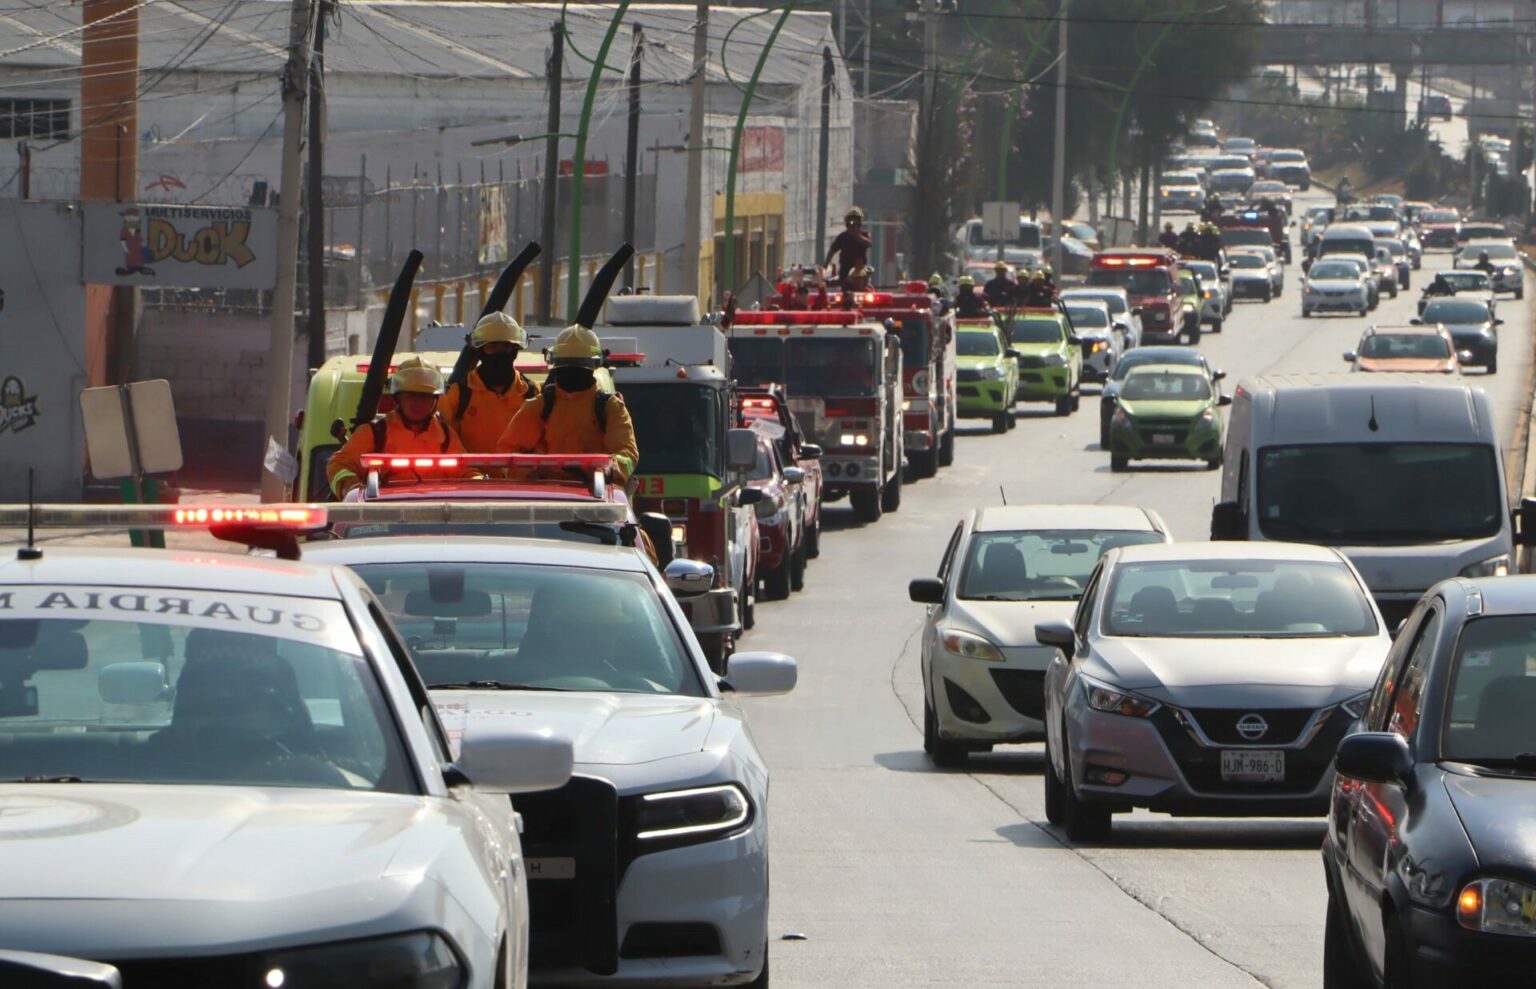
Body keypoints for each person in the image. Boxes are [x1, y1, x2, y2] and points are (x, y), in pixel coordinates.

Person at [497, 324, 639, 485]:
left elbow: (627, 455)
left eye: (579, 366)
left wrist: (608, 470)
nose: (572, 373)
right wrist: (532, 473)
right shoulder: (541, 406)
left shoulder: (609, 408)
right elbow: (508, 451)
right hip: (547, 495)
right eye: (566, 364)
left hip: (596, 495)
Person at [327, 358, 475, 499]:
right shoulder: (374, 434)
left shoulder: (446, 438)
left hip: (434, 520)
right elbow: (338, 465)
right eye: (411, 395)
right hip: (385, 520)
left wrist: (478, 481)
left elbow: (466, 472)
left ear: (434, 400)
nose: (417, 403)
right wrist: (351, 487)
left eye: (424, 396)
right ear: (398, 397)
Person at [440, 312, 537, 453]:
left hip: (518, 476)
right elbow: (442, 441)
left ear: (516, 350)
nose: (499, 352)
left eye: (506, 346)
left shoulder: (531, 394)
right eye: (492, 346)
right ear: (480, 351)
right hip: (470, 474)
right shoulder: (458, 394)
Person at [824, 206, 873, 283]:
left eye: (856, 219)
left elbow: (869, 243)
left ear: (859, 221)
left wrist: (856, 235)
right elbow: (832, 250)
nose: (853, 222)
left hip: (860, 270)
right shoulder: (843, 236)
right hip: (845, 270)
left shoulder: (864, 234)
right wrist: (825, 265)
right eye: (851, 219)